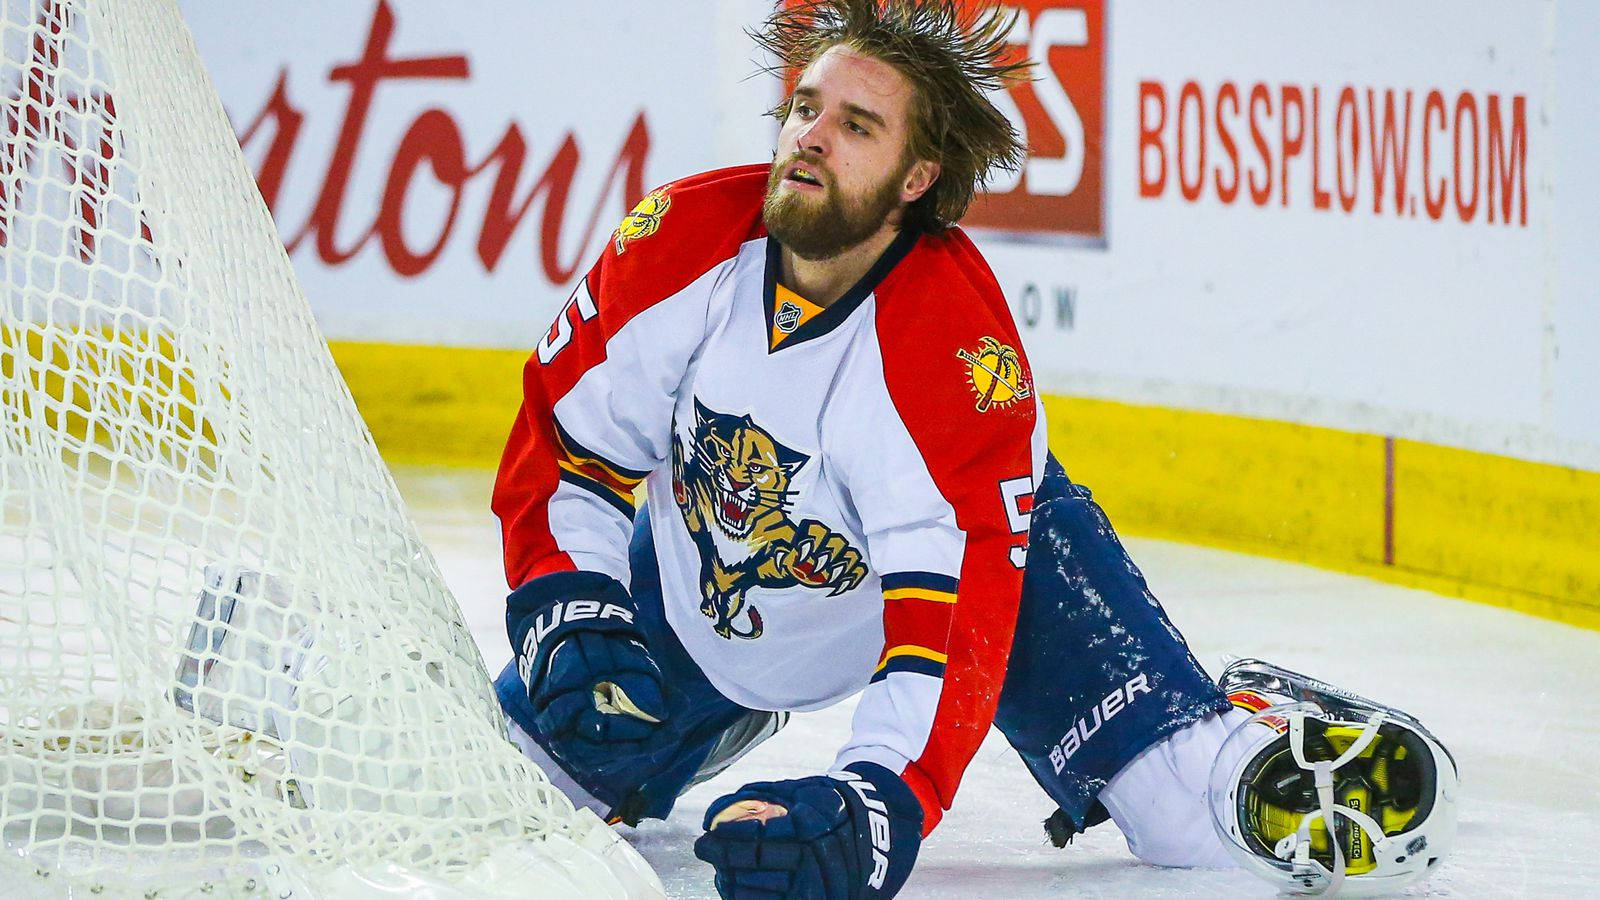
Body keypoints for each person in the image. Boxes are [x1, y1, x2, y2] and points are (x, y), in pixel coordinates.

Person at [488, 1, 1456, 896]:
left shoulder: (954, 355)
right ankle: (713, 710)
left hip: (987, 584)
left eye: (856, 126)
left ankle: (1232, 731)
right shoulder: (681, 239)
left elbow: (942, 634)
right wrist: (565, 594)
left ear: (916, 180)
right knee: (496, 784)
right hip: (701, 610)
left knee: (1187, 814)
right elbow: (574, 444)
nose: (810, 138)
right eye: (804, 109)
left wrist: (876, 803)